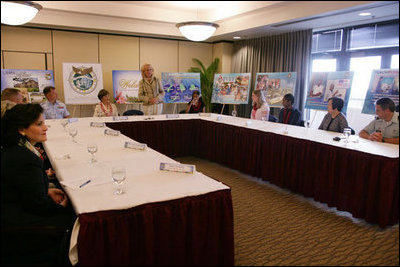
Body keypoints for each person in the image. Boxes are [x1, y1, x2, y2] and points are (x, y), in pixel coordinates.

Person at [1, 104, 76, 262]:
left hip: (11, 209)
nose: (46, 127)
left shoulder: (17, 149)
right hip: (16, 222)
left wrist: (46, 191)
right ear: (21, 129)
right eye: (39, 124)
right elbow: (37, 205)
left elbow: (20, 187)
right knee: (75, 217)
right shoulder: (26, 159)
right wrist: (60, 207)